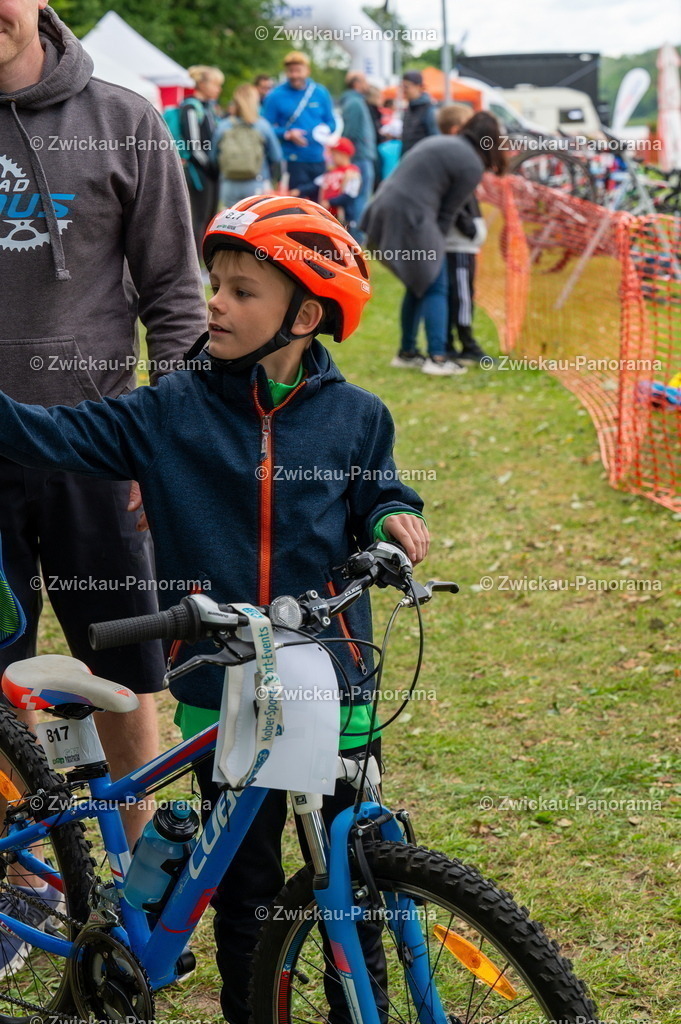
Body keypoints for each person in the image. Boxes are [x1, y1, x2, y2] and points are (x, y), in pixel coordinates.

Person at [0, 194, 430, 1022]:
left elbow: (377, 486)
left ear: (304, 313)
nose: (214, 304)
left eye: (240, 290)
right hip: (220, 679)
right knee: (245, 879)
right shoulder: (171, 409)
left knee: (352, 864)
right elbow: (52, 435)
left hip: (333, 674)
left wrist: (390, 515)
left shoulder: (356, 416)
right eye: (216, 284)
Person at [0, 0, 206, 861]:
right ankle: (14, 884)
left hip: (96, 454)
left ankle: (129, 876)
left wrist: (170, 443)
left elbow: (176, 296)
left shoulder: (125, 119)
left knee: (126, 678)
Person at [361, 112, 504, 376]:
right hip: (410, 217)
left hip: (382, 209)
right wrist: (435, 250)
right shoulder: (471, 163)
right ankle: (437, 358)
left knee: (418, 285)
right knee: (434, 284)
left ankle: (407, 352)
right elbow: (447, 215)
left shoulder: (442, 142)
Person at [437, 106, 493, 364]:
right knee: (460, 294)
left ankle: (452, 340)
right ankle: (466, 341)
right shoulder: (457, 159)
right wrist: (469, 227)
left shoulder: (454, 157)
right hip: (458, 243)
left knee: (458, 293)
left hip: (462, 243)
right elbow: (454, 200)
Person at [262, 51, 336, 199]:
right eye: (291, 71)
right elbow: (265, 127)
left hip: (318, 159)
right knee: (295, 205)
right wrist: (287, 134)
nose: (295, 75)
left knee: (319, 206)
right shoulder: (275, 95)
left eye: (298, 71)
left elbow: (332, 122)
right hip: (292, 160)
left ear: (307, 70)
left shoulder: (320, 92)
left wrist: (325, 129)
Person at [214, 83, 283, 206]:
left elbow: (213, 157)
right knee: (256, 222)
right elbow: (276, 156)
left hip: (229, 183)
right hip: (257, 182)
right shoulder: (262, 126)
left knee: (231, 222)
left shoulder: (223, 125)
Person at [181, 64, 224, 258]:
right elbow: (194, 146)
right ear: (202, 84)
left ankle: (205, 257)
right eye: (215, 84)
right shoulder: (191, 107)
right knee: (198, 217)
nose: (218, 89)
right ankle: (196, 259)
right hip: (198, 173)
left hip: (211, 172)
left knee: (210, 215)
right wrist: (210, 167)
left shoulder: (209, 109)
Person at [339, 71, 377, 238]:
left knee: (359, 199)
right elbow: (351, 133)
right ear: (356, 83)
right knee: (359, 200)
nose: (367, 85)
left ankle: (356, 237)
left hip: (361, 156)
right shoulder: (354, 103)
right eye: (364, 81)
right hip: (359, 158)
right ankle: (357, 238)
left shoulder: (354, 102)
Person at [400, 70, 438, 156]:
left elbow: (435, 139)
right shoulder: (409, 109)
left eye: (406, 87)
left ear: (419, 87)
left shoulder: (429, 110)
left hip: (424, 161)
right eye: (402, 87)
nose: (403, 90)